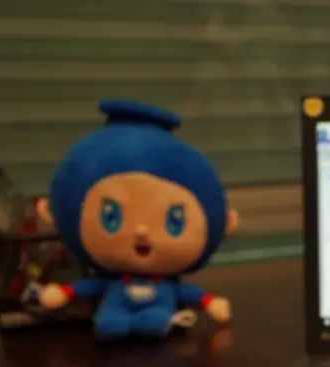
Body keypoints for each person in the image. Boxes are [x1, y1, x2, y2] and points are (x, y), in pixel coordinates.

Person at [37, 99, 237, 339]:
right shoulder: (111, 281)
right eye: (111, 217)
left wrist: (210, 301)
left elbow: (191, 293)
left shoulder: (165, 284)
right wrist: (64, 292)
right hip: (112, 320)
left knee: (153, 321)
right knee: (110, 323)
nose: (142, 232)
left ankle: (149, 320)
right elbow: (89, 286)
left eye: (174, 222)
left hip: (161, 320)